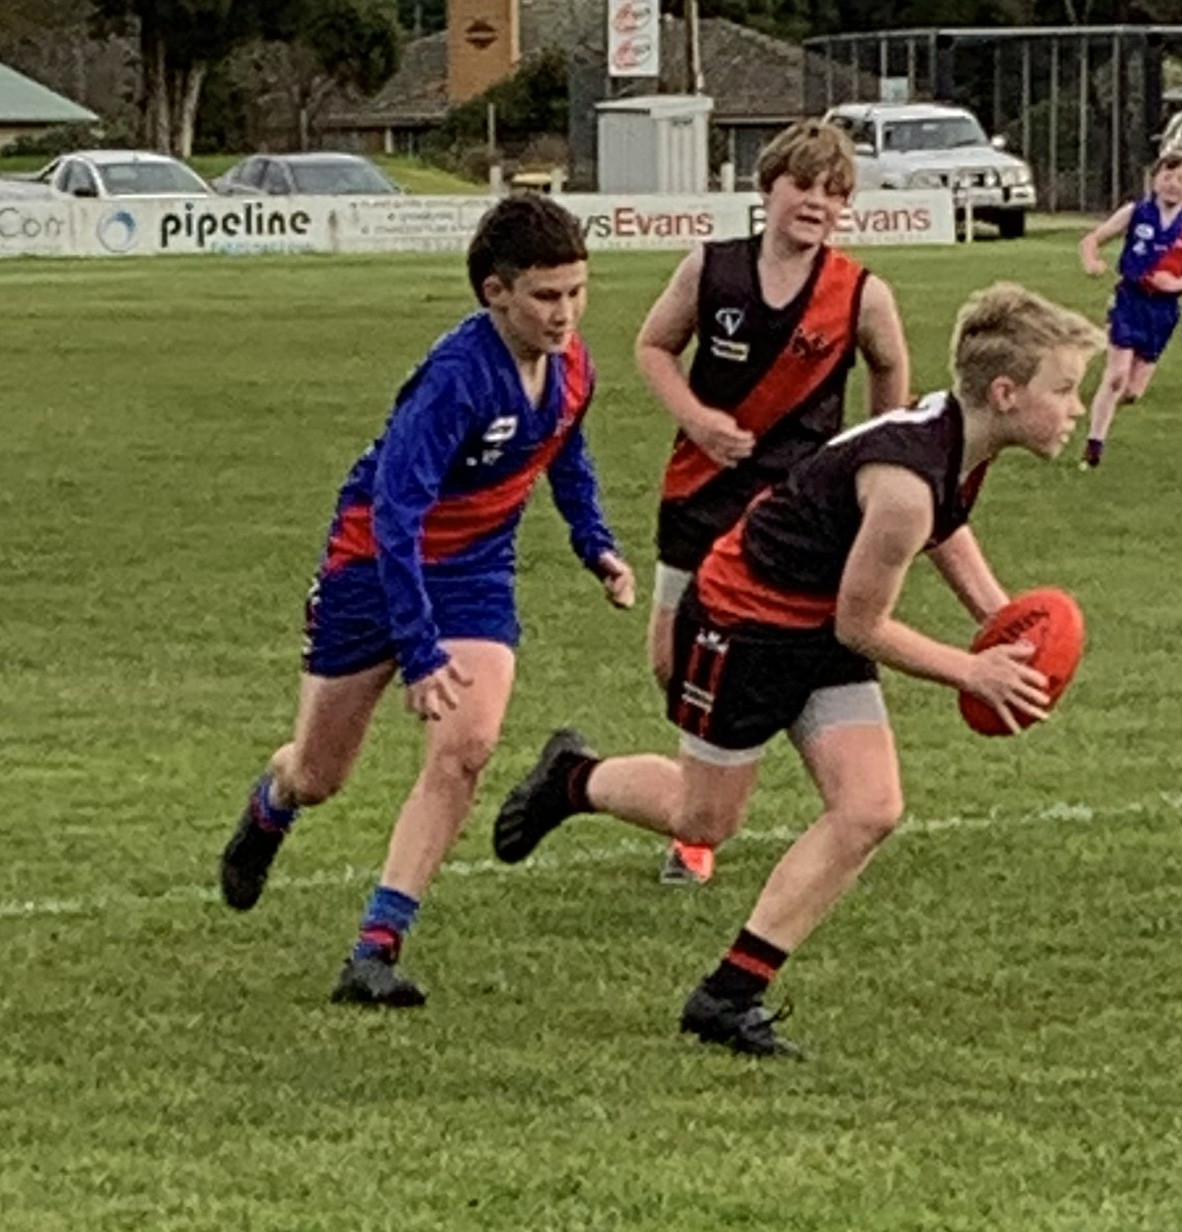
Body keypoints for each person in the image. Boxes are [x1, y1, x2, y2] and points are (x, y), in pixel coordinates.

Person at [493, 283, 1104, 1056]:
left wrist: (1000, 620)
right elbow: (865, 622)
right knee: (704, 819)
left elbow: (946, 530)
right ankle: (574, 777)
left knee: (870, 807)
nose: (1077, 407)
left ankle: (728, 995)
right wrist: (971, 671)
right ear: (1007, 393)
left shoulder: (954, 440)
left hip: (815, 626)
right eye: (1065, 390)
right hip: (742, 625)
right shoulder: (906, 485)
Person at [217, 195, 636, 1005]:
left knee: (467, 749)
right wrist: (418, 649)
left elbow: (564, 451)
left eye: (578, 292)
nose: (566, 313)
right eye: (547, 296)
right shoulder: (453, 381)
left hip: (474, 572)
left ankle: (375, 948)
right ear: (495, 293)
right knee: (320, 773)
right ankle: (271, 807)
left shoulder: (575, 366)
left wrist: (596, 545)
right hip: (372, 569)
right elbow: (395, 518)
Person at [634, 118, 910, 886]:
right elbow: (653, 347)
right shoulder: (711, 271)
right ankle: (699, 794)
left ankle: (698, 834)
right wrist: (696, 418)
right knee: (670, 659)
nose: (816, 201)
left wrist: (865, 454)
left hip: (791, 516)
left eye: (833, 191)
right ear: (767, 190)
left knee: (789, 649)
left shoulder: (860, 293)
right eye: (802, 185)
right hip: (698, 496)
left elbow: (891, 374)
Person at [1076, 153, 1182, 470]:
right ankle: (1094, 444)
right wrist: (1092, 262)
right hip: (1130, 299)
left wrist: (1175, 284)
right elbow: (1091, 241)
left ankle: (1105, 407)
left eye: (1181, 180)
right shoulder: (1136, 212)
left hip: (1163, 311)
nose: (1172, 185)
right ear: (1154, 180)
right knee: (1116, 375)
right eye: (1167, 176)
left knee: (1133, 390)